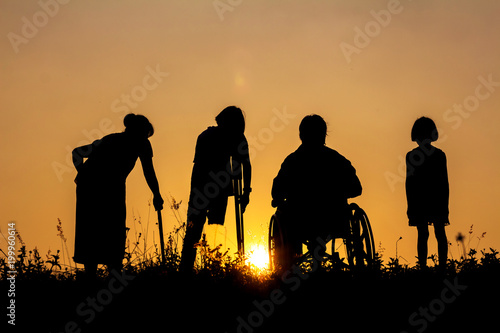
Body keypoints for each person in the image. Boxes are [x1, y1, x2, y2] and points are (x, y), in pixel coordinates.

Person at [72, 113, 164, 278]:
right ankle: (104, 275)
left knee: (101, 227)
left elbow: (77, 153)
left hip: (101, 188)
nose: (145, 137)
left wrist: (85, 174)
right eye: (144, 133)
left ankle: (104, 275)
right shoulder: (129, 142)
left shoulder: (117, 141)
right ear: (138, 131)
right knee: (102, 227)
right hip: (100, 190)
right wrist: (156, 194)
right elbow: (148, 171)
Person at [271, 114, 362, 261]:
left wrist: (279, 199)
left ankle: (284, 264)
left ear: (301, 135)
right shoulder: (338, 161)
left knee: (281, 213)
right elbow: (357, 189)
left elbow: (276, 191)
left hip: (299, 222)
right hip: (334, 220)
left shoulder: (292, 162)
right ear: (324, 135)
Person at [180, 106, 252, 272]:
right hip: (210, 189)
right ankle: (202, 271)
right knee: (205, 231)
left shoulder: (213, 136)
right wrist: (246, 191)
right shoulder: (229, 137)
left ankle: (198, 271)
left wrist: (246, 190)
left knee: (205, 231)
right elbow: (245, 165)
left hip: (209, 189)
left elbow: (245, 165)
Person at [406, 116, 449, 269]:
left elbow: (409, 184)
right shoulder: (440, 155)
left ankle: (423, 267)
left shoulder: (411, 156)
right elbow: (444, 183)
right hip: (437, 200)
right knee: (439, 232)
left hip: (420, 201)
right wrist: (445, 205)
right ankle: (441, 267)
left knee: (423, 234)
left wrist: (410, 205)